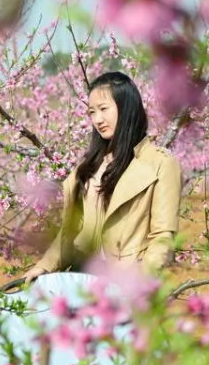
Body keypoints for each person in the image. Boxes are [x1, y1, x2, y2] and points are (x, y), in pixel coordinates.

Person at [24, 71, 182, 284]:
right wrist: (44, 266)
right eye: (92, 112)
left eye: (104, 109)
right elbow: (70, 232)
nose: (97, 119)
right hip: (80, 276)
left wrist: (139, 283)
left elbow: (162, 237)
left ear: (126, 108)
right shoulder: (88, 166)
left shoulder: (160, 164)